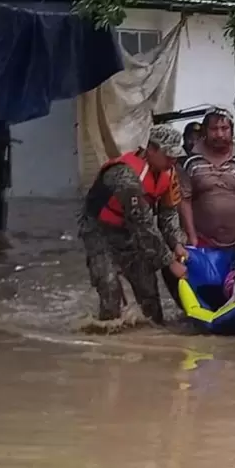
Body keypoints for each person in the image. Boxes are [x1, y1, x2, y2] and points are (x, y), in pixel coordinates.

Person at [78, 124, 188, 327]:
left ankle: (155, 338)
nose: (173, 161)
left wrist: (177, 242)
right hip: (99, 230)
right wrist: (170, 262)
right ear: (152, 150)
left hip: (129, 231)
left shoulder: (169, 173)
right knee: (109, 286)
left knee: (148, 291)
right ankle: (108, 339)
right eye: (168, 155)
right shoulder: (126, 176)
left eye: (175, 156)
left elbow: (168, 213)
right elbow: (143, 223)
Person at [177, 107, 235, 248]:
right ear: (205, 131)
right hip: (202, 242)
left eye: (224, 128)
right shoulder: (189, 161)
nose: (220, 134)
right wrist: (192, 237)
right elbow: (184, 201)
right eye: (214, 129)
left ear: (232, 130)